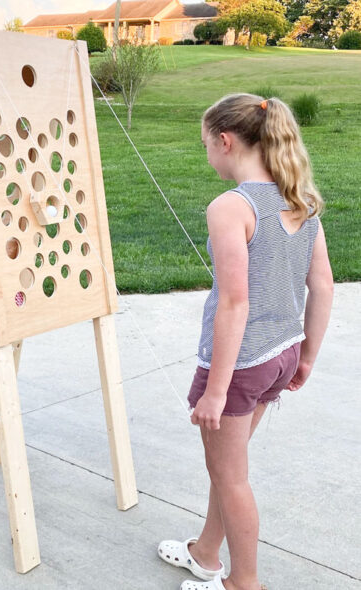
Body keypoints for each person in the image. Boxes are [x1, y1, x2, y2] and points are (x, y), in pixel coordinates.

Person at [157, 94, 333, 590]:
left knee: (231, 477)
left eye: (206, 144)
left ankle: (243, 583)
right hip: (281, 355)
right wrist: (307, 356)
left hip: (239, 366)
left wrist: (216, 389)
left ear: (225, 141)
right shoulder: (299, 198)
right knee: (226, 466)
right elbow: (321, 285)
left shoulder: (231, 207)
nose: (207, 154)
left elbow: (236, 304)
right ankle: (205, 553)